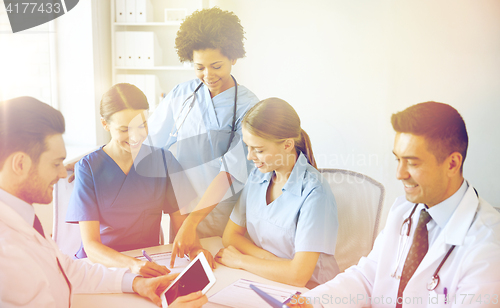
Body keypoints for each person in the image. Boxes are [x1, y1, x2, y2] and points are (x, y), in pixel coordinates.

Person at [0, 96, 207, 307]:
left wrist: (135, 283)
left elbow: (68, 270)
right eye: (55, 164)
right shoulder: (7, 251)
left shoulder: (24, 220)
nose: (64, 174)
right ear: (20, 164)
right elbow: (87, 250)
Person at [289, 102, 500, 307]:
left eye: (413, 163)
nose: (400, 174)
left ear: (452, 164)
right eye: (398, 160)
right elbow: (367, 277)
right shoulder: (404, 211)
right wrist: (312, 302)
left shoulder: (488, 247)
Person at [145, 7, 260, 266]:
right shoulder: (181, 95)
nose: (208, 75)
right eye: (199, 67)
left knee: (222, 277)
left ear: (234, 58)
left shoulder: (250, 107)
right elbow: (148, 143)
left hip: (223, 217)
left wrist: (193, 222)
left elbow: (232, 171)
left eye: (216, 66)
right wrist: (98, 159)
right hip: (180, 214)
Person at [65, 84, 211, 277]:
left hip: (148, 262)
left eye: (142, 125)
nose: (135, 136)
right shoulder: (88, 168)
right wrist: (131, 265)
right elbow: (91, 246)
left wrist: (195, 250)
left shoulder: (163, 161)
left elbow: (182, 225)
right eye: (124, 129)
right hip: (101, 267)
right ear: (105, 124)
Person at [214, 98, 340, 288]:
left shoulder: (315, 193)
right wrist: (271, 261)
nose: (250, 157)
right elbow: (230, 236)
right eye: (248, 147)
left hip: (311, 291)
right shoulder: (258, 175)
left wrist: (241, 260)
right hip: (267, 279)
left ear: (287, 145)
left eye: (258, 150)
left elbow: (298, 276)